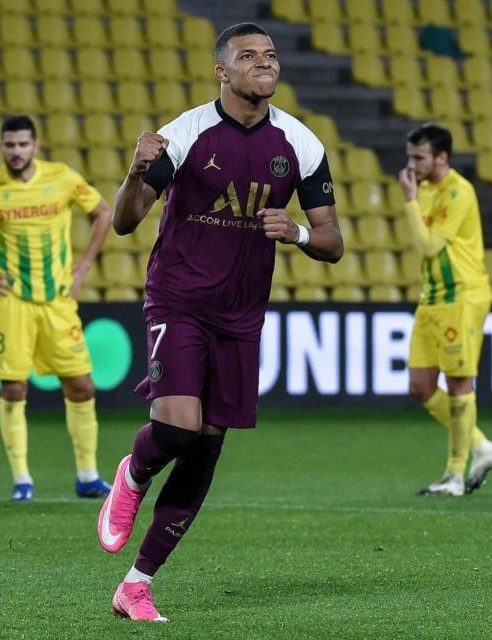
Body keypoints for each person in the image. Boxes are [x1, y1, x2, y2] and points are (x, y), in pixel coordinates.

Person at [96, 23, 344, 621]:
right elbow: (127, 222)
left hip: (242, 314)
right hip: (178, 298)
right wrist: (135, 171)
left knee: (206, 451)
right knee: (178, 430)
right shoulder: (186, 133)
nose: (265, 64)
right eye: (248, 56)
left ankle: (136, 584)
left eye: (271, 56)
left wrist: (300, 233)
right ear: (222, 71)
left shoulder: (301, 143)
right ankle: (135, 469)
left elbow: (333, 243)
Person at [0, 115, 113, 502]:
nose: (16, 152)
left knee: (81, 386)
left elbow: (103, 213)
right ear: (1, 147)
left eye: (22, 144)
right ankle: (22, 480)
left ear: (35, 146)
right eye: (9, 145)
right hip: (9, 301)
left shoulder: (62, 177)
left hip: (56, 301)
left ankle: (88, 476)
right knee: (14, 388)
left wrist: (83, 267)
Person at [399, 123, 492, 497]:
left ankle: (454, 474)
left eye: (419, 157)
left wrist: (408, 200)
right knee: (420, 386)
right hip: (433, 296)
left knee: (457, 384)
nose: (412, 164)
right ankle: (482, 447)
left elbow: (429, 245)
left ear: (442, 157)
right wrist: (414, 195)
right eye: (410, 156)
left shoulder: (459, 191)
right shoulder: (424, 188)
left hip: (462, 295)